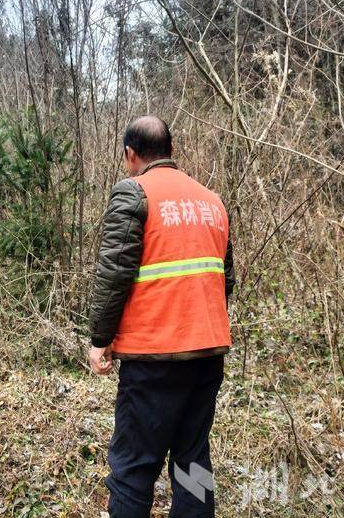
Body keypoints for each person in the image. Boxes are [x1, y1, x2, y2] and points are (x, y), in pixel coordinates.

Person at [88, 116, 235, 518]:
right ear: (171, 150)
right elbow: (225, 280)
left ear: (130, 154)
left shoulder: (134, 193)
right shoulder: (212, 201)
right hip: (207, 354)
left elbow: (113, 275)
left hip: (153, 358)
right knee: (193, 460)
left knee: (133, 467)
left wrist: (100, 340)